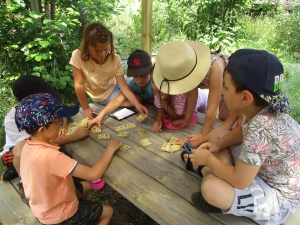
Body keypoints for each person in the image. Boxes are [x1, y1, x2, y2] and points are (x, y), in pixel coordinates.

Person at [189, 49, 300, 225]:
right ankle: (210, 169)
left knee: (211, 190)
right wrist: (217, 147)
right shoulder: (264, 108)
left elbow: (240, 181)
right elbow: (242, 132)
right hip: (262, 169)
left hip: (276, 197)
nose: (223, 91)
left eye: (225, 86)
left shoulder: (261, 128)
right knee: (219, 135)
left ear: (246, 97)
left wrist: (209, 161)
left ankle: (204, 171)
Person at [15, 92, 123, 224]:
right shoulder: (50, 156)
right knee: (108, 210)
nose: (61, 125)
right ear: (42, 130)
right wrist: (110, 149)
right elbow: (94, 174)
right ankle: (76, 217)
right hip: (60, 215)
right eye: (58, 122)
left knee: (88, 186)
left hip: (43, 208)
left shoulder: (28, 145)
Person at [0, 75, 93, 202]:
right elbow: (39, 144)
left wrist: (63, 123)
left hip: (37, 147)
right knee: (25, 150)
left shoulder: (40, 107)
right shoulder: (13, 119)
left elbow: (57, 108)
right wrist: (74, 136)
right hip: (14, 156)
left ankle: (72, 188)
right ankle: (24, 182)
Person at [69, 22, 147, 119]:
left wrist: (137, 106)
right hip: (105, 95)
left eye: (106, 49)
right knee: (136, 99)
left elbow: (122, 85)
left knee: (142, 87)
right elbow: (79, 84)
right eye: (97, 51)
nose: (102, 54)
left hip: (118, 83)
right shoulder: (78, 55)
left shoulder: (115, 58)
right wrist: (85, 108)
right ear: (87, 46)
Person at [152, 41, 209, 132]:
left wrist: (187, 119)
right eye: (153, 81)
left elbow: (177, 115)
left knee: (202, 122)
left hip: (203, 102)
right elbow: (161, 106)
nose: (155, 86)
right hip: (189, 98)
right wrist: (159, 118)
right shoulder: (159, 86)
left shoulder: (181, 94)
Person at [88, 49, 153, 128]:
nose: (140, 80)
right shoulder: (132, 85)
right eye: (135, 76)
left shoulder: (155, 84)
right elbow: (117, 100)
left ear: (151, 71)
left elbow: (163, 101)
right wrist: (100, 116)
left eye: (143, 75)